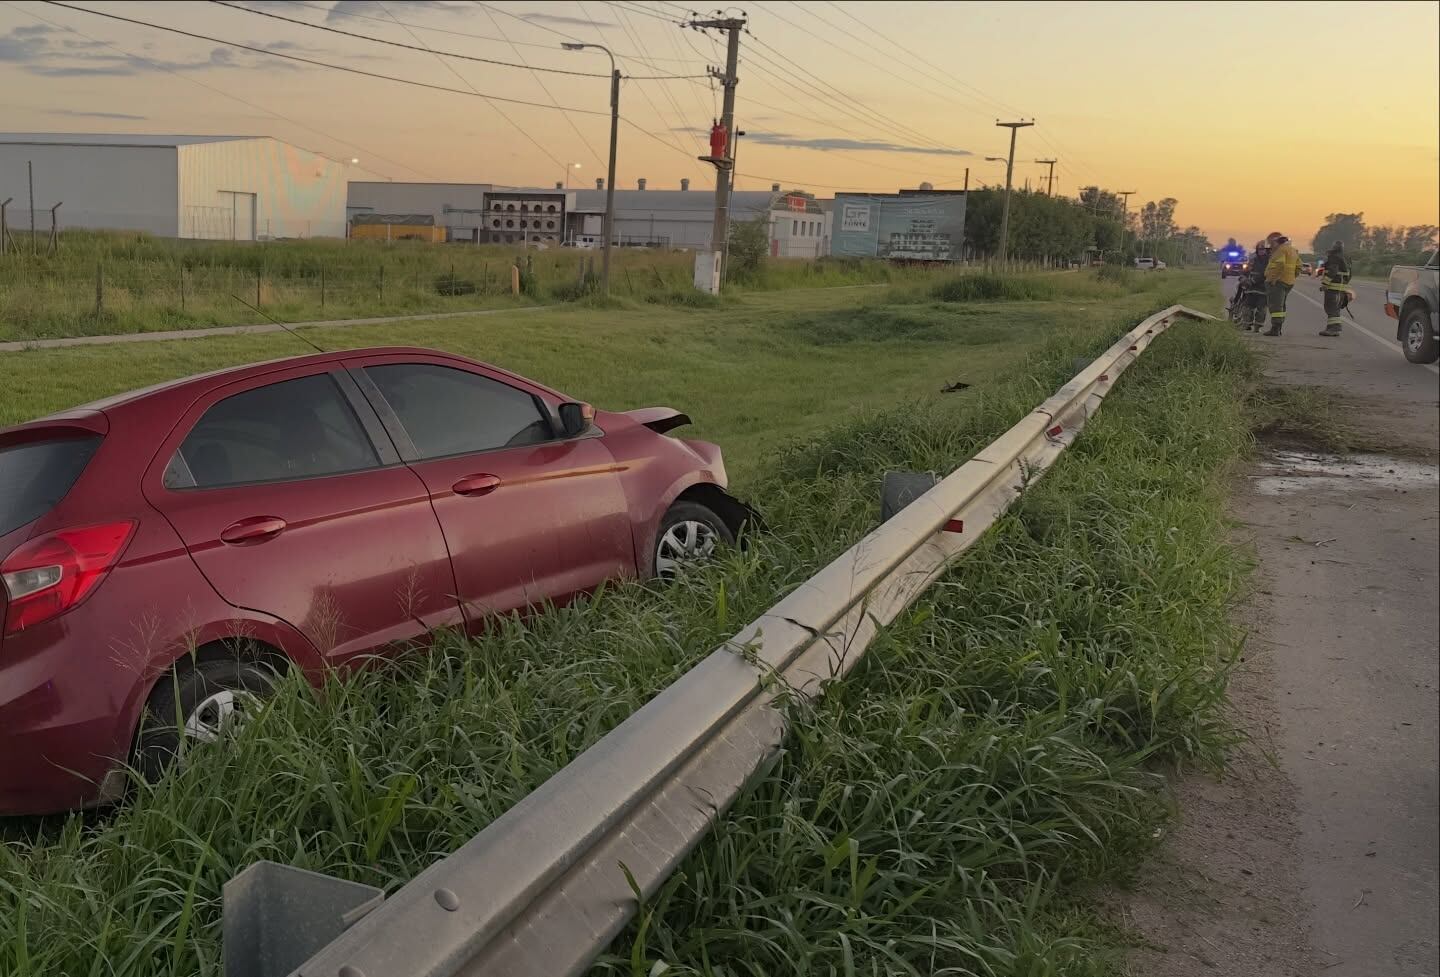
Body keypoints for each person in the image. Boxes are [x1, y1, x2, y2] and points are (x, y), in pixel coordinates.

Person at [1262, 231, 1302, 336]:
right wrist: (1293, 277)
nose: (1270, 246)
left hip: (1278, 282)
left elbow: (1280, 264)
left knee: (1275, 306)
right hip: (1289, 282)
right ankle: (1278, 327)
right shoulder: (1293, 250)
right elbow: (1299, 266)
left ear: (1276, 242)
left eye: (1271, 243)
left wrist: (1273, 279)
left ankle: (1275, 329)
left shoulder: (1280, 251)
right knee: (1281, 305)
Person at [1319, 240, 1352, 337]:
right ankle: (1331, 328)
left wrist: (1325, 284)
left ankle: (1334, 329)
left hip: (1333, 287)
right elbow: (1349, 274)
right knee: (1335, 308)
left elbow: (1332, 271)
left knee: (1331, 308)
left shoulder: (1334, 257)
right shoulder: (1346, 257)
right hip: (1341, 288)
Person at [1241, 240, 1271, 331]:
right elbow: (1246, 270)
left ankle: (1257, 327)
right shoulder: (1253, 259)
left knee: (1261, 309)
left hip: (1263, 289)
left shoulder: (1270, 261)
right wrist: (1243, 278)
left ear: (1267, 250)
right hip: (1251, 289)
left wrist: (1253, 280)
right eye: (1259, 249)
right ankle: (1247, 324)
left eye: (1263, 249)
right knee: (1247, 307)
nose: (1261, 251)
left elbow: (1265, 274)